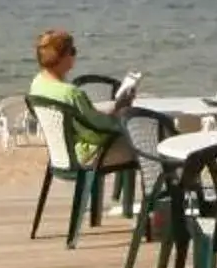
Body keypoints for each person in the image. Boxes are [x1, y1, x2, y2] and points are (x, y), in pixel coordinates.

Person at [29, 29, 136, 173]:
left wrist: (113, 109)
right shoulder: (71, 93)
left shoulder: (37, 84)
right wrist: (121, 118)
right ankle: (156, 192)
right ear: (61, 57)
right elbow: (98, 131)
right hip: (86, 155)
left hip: (62, 153)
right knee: (146, 145)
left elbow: (83, 117)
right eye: (72, 51)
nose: (74, 55)